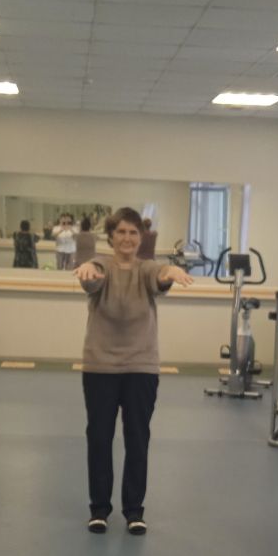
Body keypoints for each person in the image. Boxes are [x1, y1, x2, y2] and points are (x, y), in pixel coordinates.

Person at [75, 206, 193, 535]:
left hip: (141, 366)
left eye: (133, 233)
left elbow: (159, 273)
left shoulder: (146, 268)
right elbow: (92, 277)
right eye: (121, 232)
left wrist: (171, 272)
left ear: (141, 238)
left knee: (137, 439)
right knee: (99, 438)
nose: (127, 238)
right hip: (100, 366)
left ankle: (134, 510)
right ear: (111, 237)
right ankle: (99, 508)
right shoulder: (101, 265)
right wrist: (87, 270)